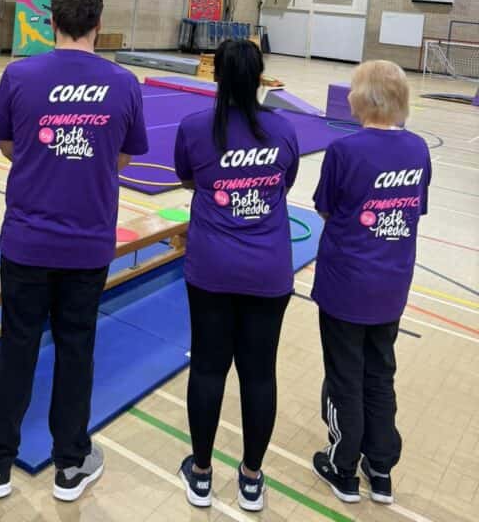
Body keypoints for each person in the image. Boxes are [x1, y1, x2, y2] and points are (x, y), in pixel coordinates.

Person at [0, 0, 148, 502]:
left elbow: (6, 144)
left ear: (51, 22)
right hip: (87, 242)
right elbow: (126, 158)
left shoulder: (20, 74)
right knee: (76, 347)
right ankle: (71, 461)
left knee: (17, 345)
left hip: (28, 241)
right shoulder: (124, 82)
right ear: (97, 22)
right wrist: (85, 156)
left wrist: (50, 156)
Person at [174, 39, 299, 513]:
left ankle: (201, 474)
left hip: (212, 269)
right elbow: (284, 184)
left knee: (207, 367)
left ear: (216, 75)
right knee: (258, 373)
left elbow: (189, 178)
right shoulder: (284, 131)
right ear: (261, 76)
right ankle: (250, 478)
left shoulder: (194, 128)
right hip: (268, 271)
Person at [311, 60, 430, 506]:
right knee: (380, 372)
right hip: (392, 282)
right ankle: (380, 467)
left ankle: (343, 465)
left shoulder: (346, 150)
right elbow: (412, 211)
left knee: (346, 375)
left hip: (348, 283)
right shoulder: (418, 149)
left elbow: (325, 208)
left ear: (361, 99)